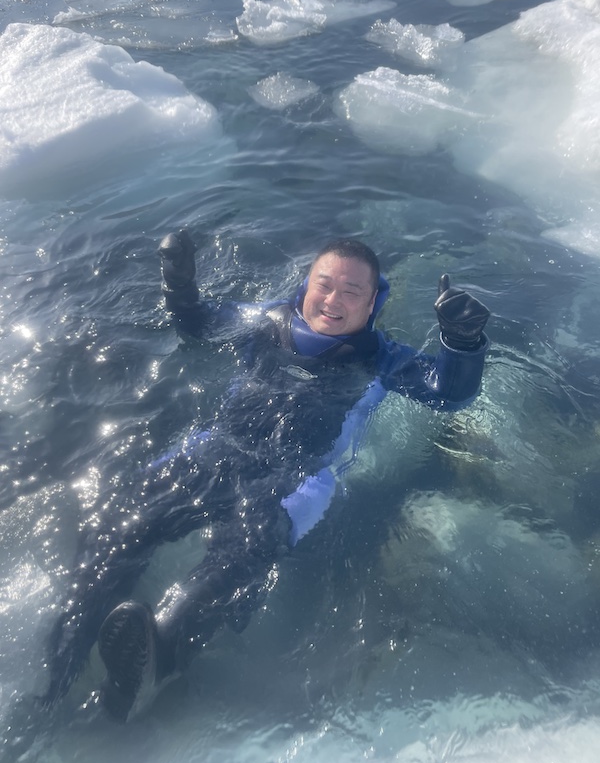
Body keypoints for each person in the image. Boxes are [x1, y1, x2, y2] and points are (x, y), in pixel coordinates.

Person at [43, 231, 489, 722]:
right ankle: (65, 655)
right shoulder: (265, 321)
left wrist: (462, 343)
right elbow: (198, 324)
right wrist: (179, 281)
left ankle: (161, 654)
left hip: (295, 480)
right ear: (306, 285)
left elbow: (448, 393)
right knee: (120, 526)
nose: (333, 300)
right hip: (214, 452)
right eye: (325, 284)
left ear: (373, 304)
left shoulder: (384, 358)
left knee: (238, 556)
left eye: (351, 292)